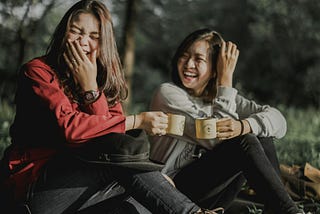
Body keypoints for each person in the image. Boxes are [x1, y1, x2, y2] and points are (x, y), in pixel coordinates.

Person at [0, 2, 223, 213]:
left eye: (93, 36)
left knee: (140, 202)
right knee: (127, 167)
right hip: (33, 189)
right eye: (76, 31)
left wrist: (90, 86)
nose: (82, 42)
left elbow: (112, 137)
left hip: (82, 191)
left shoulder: (102, 79)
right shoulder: (38, 72)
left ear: (103, 42)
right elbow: (72, 130)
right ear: (63, 33)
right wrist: (137, 121)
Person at [149, 28, 305, 214]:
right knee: (243, 140)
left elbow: (280, 122)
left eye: (198, 59)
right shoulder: (167, 94)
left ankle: (278, 208)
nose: (189, 64)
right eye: (184, 56)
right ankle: (288, 211)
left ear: (215, 68)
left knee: (261, 136)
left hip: (212, 193)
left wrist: (244, 125)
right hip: (172, 192)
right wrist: (226, 80)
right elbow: (216, 136)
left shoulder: (226, 98)